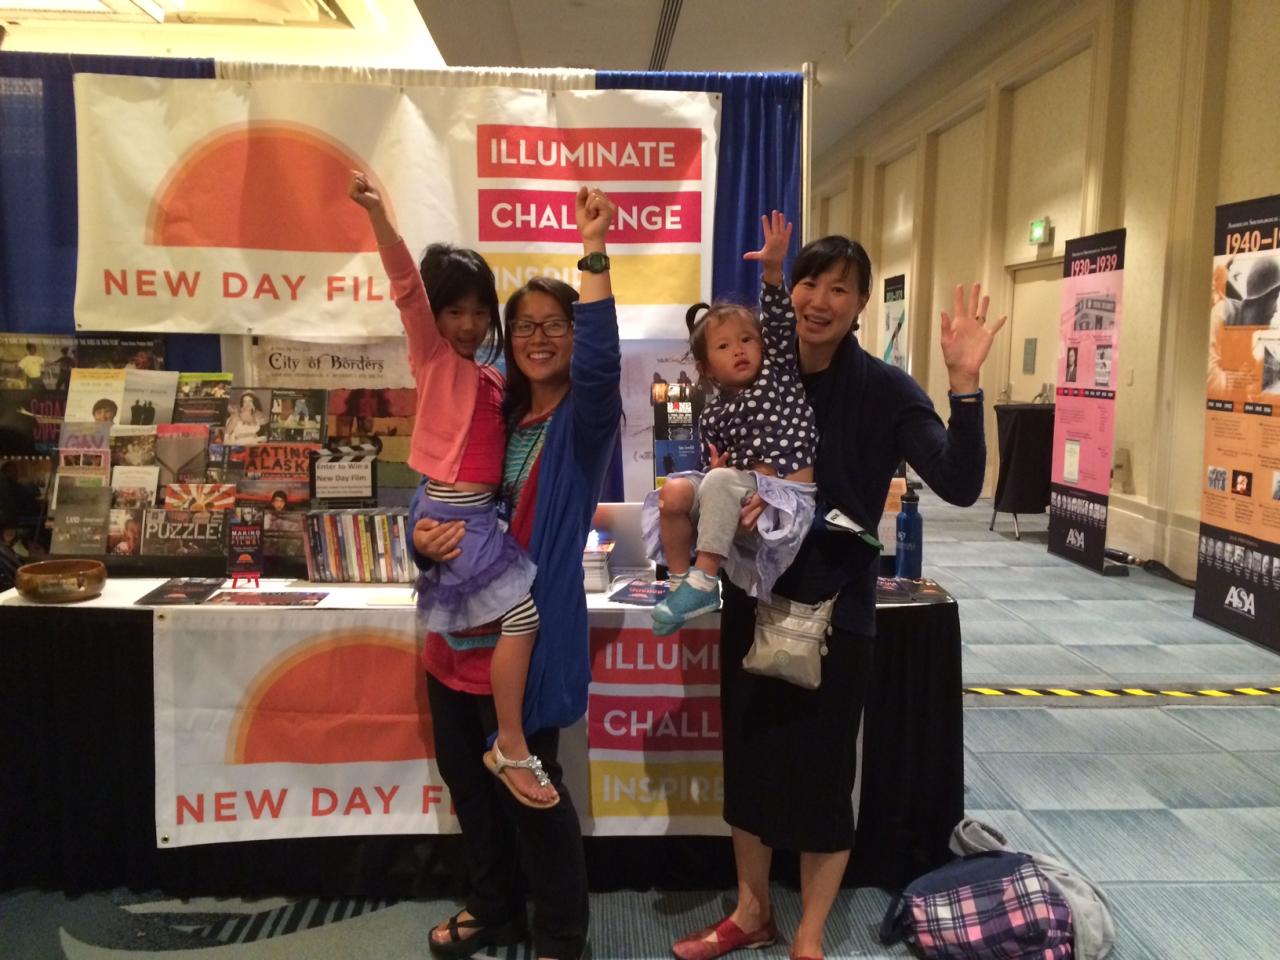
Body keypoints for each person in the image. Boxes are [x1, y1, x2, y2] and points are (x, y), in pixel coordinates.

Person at [671, 236, 1003, 960]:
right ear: (789, 293)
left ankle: (811, 932)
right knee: (750, 762)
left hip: (836, 608)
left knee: (824, 773)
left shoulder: (883, 388)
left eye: (840, 289)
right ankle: (753, 911)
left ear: (858, 307)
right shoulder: (747, 373)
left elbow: (959, 483)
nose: (819, 299)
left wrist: (966, 384)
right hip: (753, 595)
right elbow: (712, 472)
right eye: (808, 283)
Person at [408, 188, 620, 960]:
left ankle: (561, 934)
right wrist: (419, 539)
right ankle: (492, 906)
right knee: (472, 786)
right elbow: (434, 488)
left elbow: (601, 363)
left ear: (572, 335)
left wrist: (592, 253)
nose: (536, 337)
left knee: (532, 791)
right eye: (522, 324)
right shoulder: (490, 404)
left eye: (553, 325)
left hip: (524, 640)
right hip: (451, 637)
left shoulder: (582, 421)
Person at [351, 170, 561, 811]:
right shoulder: (435, 361)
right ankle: (511, 743)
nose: (467, 324)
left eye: (478, 312)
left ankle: (507, 740)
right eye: (454, 311)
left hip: (477, 521)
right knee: (522, 615)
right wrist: (382, 221)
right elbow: (406, 289)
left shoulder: (497, 381)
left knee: (510, 620)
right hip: (453, 513)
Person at [643, 212, 817, 633]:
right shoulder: (715, 411)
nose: (739, 350)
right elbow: (716, 465)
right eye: (724, 346)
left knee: (720, 483)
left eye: (747, 340)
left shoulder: (778, 374)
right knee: (677, 492)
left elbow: (778, 324)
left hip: (786, 497)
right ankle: (685, 585)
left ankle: (704, 582)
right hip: (740, 489)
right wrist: (715, 470)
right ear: (706, 368)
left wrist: (773, 272)